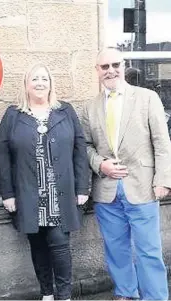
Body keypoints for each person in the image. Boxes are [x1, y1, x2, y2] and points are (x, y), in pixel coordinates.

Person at [81, 47, 171, 300]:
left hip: (142, 187)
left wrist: (163, 180)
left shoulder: (147, 97)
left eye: (115, 65)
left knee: (148, 250)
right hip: (106, 190)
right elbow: (85, 146)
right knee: (116, 249)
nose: (110, 70)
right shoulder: (89, 107)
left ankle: (155, 296)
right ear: (97, 71)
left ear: (123, 65)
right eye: (104, 66)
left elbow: (162, 142)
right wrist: (100, 164)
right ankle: (125, 293)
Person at [0, 62, 89, 300]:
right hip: (29, 193)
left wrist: (82, 187)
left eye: (44, 79)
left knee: (59, 244)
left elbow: (80, 149)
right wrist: (7, 193)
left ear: (50, 84)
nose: (39, 83)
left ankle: (64, 295)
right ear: (26, 85)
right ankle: (47, 293)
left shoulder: (64, 111)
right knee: (37, 245)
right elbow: (2, 155)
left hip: (60, 192)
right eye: (34, 79)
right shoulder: (13, 115)